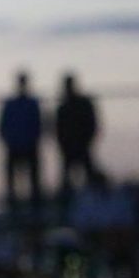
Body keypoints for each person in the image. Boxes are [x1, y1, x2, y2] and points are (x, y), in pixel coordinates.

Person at [0, 71, 43, 218]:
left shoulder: (31, 103)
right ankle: (13, 208)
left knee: (34, 181)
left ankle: (35, 208)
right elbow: (2, 126)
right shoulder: (11, 104)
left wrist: (31, 140)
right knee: (12, 182)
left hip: (29, 146)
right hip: (15, 146)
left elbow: (38, 125)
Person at [55, 72, 99, 208]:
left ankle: (94, 205)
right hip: (68, 149)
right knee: (66, 182)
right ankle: (66, 207)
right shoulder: (63, 107)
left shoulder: (83, 104)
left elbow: (92, 124)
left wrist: (86, 141)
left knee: (89, 180)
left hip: (82, 146)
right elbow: (58, 129)